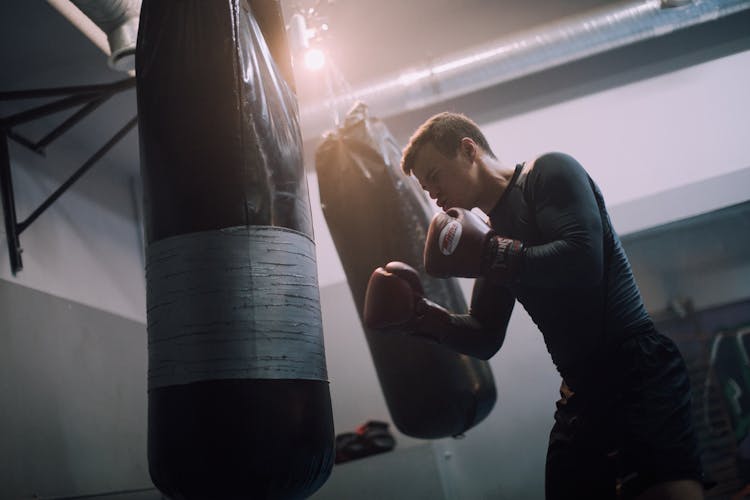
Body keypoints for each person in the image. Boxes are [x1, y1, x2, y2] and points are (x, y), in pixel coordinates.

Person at [363, 112, 705, 499]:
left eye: (435, 175)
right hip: (579, 389)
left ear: (468, 149)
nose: (433, 195)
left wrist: (492, 253)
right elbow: (485, 334)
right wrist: (420, 318)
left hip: (636, 367)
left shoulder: (547, 174)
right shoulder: (489, 238)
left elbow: (582, 261)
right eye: (426, 188)